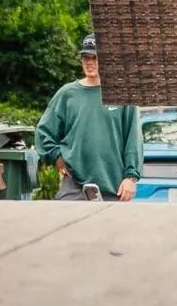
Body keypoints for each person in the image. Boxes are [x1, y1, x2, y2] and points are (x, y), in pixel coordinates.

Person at [35, 34, 141, 202]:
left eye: (95, 57)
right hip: (74, 185)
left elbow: (133, 140)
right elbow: (43, 132)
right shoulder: (67, 94)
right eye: (86, 57)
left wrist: (131, 177)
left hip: (114, 187)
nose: (90, 62)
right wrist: (56, 157)